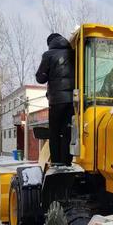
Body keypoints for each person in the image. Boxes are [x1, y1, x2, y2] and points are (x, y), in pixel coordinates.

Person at [36, 33, 75, 167]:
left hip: (56, 101)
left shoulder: (49, 55)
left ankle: (57, 163)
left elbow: (40, 78)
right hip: (72, 100)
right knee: (67, 132)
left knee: (55, 132)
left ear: (50, 43)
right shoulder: (73, 53)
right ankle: (67, 162)